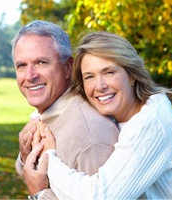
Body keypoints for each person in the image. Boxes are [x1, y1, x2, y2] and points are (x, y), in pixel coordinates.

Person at [23, 31, 172, 199]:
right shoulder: (121, 116)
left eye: (109, 72)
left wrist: (49, 159)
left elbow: (101, 196)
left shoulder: (152, 123)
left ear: (132, 74)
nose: (99, 86)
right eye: (89, 77)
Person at [11, 22, 119, 199]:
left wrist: (39, 193)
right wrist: (25, 158)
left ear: (68, 67)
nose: (30, 76)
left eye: (41, 62)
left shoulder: (91, 137)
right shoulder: (48, 115)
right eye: (22, 65)